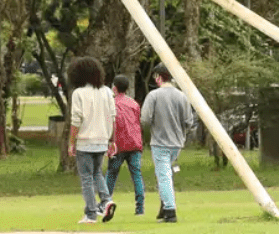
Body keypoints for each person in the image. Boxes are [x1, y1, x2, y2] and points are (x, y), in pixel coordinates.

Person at [141, 63, 195, 223]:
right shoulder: (182, 96)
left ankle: (170, 210)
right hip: (177, 143)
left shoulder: (154, 95)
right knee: (165, 174)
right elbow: (189, 121)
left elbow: (144, 119)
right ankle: (163, 207)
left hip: (160, 142)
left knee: (163, 176)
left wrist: (150, 129)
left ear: (158, 77)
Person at [67, 56, 116, 224]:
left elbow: (76, 120)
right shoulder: (107, 92)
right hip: (102, 139)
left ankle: (91, 213)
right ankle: (106, 200)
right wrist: (112, 141)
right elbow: (112, 117)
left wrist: (72, 142)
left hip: (85, 140)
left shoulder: (78, 93)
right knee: (97, 173)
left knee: (87, 178)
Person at [106, 75, 146, 216]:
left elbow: (111, 123)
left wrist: (109, 143)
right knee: (136, 174)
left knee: (111, 173)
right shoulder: (134, 103)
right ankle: (140, 207)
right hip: (134, 143)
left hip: (119, 143)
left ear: (114, 88)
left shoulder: (111, 103)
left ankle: (106, 202)